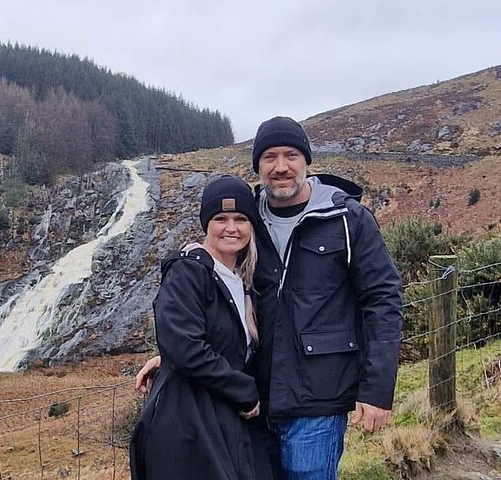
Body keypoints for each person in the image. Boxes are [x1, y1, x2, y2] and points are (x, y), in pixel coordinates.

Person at [137, 117, 403, 480]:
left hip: (317, 402)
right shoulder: (248, 219)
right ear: (258, 166)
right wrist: (174, 355)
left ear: (307, 160)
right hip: (254, 404)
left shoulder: (347, 219)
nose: (281, 167)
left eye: (291, 155)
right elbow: (224, 299)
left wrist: (377, 389)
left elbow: (383, 301)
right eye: (269, 157)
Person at [129, 176, 276, 480]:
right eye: (220, 219)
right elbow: (185, 347)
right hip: (188, 427)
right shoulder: (188, 272)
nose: (231, 228)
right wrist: (245, 391)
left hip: (227, 420)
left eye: (241, 219)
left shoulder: (244, 280)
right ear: (206, 223)